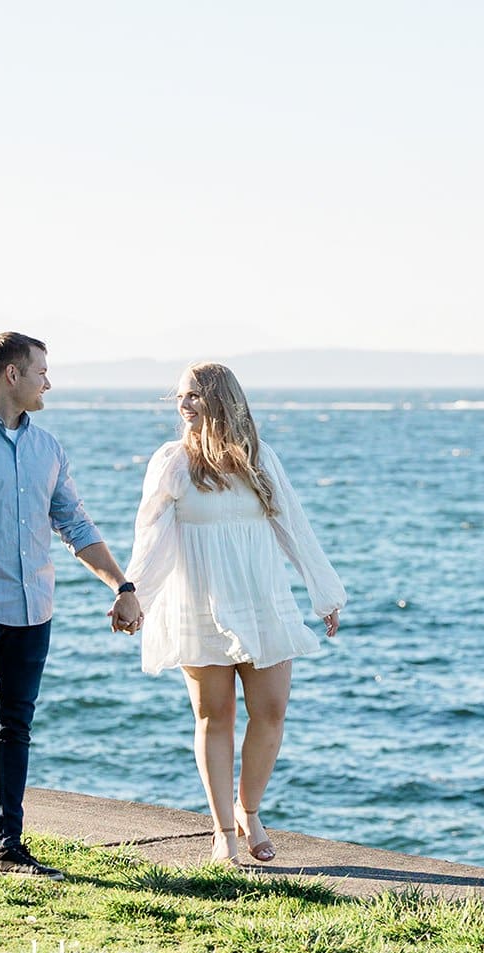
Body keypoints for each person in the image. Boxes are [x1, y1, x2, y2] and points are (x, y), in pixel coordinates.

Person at [0, 331, 141, 879]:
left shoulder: (48, 449)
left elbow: (75, 524)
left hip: (33, 608)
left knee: (15, 726)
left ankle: (5, 848)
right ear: (12, 375)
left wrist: (122, 586)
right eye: (42, 371)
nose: (48, 382)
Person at [124, 362, 345, 864]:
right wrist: (134, 594)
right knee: (213, 715)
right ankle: (224, 829)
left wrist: (324, 591)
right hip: (199, 601)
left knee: (270, 713)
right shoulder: (171, 462)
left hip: (262, 598)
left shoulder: (261, 458)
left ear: (222, 400)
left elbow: (295, 528)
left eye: (196, 396)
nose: (185, 405)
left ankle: (250, 809)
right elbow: (152, 536)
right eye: (181, 396)